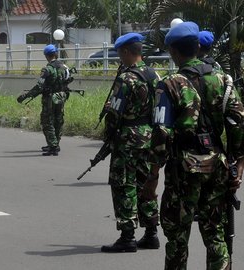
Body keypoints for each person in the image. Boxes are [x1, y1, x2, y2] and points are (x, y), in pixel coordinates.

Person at [145, 22, 244, 269]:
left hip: (183, 169)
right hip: (217, 166)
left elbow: (161, 133)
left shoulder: (169, 84)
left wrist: (152, 177)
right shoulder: (223, 80)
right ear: (197, 46)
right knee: (215, 234)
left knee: (177, 238)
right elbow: (239, 122)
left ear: (173, 51)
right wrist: (239, 166)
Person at [99, 33, 161, 253]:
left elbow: (114, 112)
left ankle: (127, 237)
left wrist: (109, 134)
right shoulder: (154, 75)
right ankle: (151, 233)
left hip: (127, 138)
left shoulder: (127, 78)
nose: (119, 59)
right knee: (146, 184)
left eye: (120, 54)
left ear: (127, 52)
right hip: (149, 136)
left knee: (124, 184)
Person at [16, 44, 70, 156]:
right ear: (56, 53)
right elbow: (68, 81)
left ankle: (53, 146)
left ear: (46, 56)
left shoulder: (47, 69)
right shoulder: (65, 67)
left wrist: (26, 96)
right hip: (61, 97)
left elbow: (39, 86)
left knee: (47, 121)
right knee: (58, 120)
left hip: (49, 99)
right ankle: (54, 143)